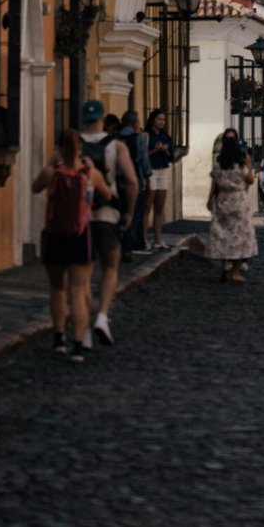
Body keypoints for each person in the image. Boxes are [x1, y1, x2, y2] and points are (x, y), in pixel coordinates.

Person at [32, 128, 110, 364]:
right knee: (78, 290)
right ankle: (77, 345)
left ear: (59, 147)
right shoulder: (90, 174)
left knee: (57, 289)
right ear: (80, 148)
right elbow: (107, 195)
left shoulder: (51, 173)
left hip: (54, 236)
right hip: (80, 235)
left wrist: (50, 164)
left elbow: (35, 187)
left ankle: (58, 339)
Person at [78, 100, 136, 346]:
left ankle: (85, 329)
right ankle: (102, 317)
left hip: (79, 218)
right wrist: (130, 213)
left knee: (83, 276)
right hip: (107, 215)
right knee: (110, 269)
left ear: (83, 119)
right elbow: (132, 181)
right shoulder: (116, 146)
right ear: (102, 119)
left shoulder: (73, 146)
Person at [207, 128, 259, 283]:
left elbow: (214, 183)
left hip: (223, 199)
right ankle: (235, 272)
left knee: (223, 234)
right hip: (238, 200)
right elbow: (249, 180)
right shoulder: (240, 164)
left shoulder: (218, 164)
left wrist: (210, 199)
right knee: (240, 236)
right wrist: (249, 165)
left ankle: (225, 266)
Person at [119, 109, 152, 255]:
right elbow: (144, 161)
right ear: (134, 123)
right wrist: (148, 177)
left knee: (120, 213)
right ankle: (128, 246)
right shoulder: (139, 138)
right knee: (134, 215)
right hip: (136, 182)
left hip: (118, 183)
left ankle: (120, 245)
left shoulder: (115, 138)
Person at [145, 109, 179, 251]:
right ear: (153, 120)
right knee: (147, 206)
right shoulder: (147, 135)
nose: (162, 122)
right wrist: (155, 150)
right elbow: (143, 154)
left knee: (159, 207)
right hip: (151, 171)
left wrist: (165, 150)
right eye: (159, 119)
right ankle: (144, 238)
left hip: (162, 171)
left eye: (163, 119)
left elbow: (172, 155)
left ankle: (159, 239)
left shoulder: (166, 136)